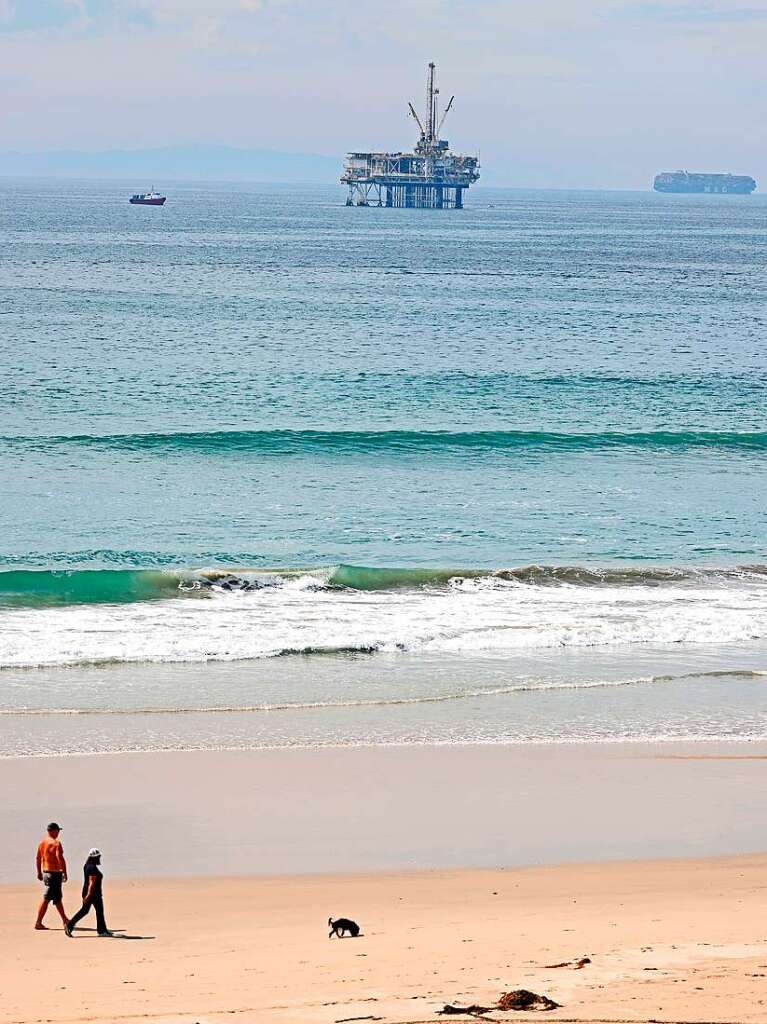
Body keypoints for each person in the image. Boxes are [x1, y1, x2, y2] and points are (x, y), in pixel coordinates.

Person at [65, 848, 112, 937]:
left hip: (89, 893)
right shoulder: (92, 868)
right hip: (93, 894)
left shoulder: (87, 865)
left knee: (90, 911)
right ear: (95, 858)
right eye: (98, 857)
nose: (99, 858)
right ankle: (70, 925)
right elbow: (91, 882)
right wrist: (89, 895)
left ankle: (102, 930)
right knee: (95, 911)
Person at [35, 822, 69, 931]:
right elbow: (60, 858)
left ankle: (65, 919)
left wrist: (39, 873)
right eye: (58, 830)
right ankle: (38, 922)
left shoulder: (42, 843)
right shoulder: (56, 843)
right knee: (47, 898)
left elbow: (38, 858)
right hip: (54, 874)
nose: (58, 832)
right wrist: (64, 872)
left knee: (57, 897)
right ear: (53, 831)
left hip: (46, 872)